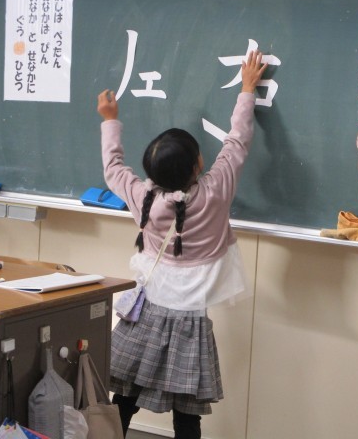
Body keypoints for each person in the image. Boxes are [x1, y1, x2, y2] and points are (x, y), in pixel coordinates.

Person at [97, 51, 267, 439]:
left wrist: (110, 120)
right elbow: (238, 141)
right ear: (198, 165)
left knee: (124, 398)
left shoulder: (143, 198)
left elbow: (113, 169)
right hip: (191, 319)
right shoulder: (216, 190)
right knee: (187, 416)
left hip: (146, 314)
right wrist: (247, 88)